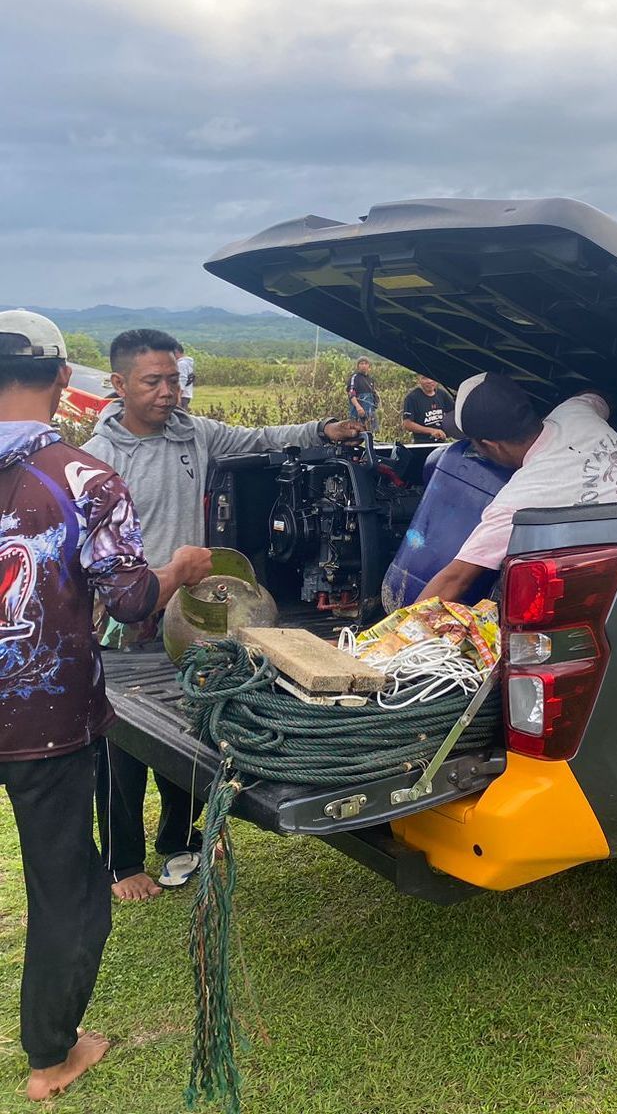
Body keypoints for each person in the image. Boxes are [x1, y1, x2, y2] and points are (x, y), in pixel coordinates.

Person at [0, 310, 212, 1101]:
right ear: (67, 381)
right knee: (67, 892)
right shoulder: (82, 475)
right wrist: (182, 566)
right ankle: (53, 1056)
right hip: (43, 722)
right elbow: (128, 600)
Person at [84, 328, 362, 901]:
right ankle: (122, 864)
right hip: (119, 622)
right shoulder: (95, 460)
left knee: (189, 719)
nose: (167, 392)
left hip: (186, 615)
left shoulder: (193, 434)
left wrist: (320, 429)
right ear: (118, 384)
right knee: (121, 742)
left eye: (174, 379)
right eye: (152, 381)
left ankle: (180, 844)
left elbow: (256, 436)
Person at [418, 371, 617, 605]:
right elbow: (597, 394)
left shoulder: (519, 500)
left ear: (490, 445)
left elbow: (456, 579)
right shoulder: (576, 411)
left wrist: (397, 638)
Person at [402, 375, 455, 442]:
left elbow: (453, 414)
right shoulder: (412, 398)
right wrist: (431, 431)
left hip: (442, 442)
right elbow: (407, 424)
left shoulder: (442, 394)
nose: (429, 381)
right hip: (423, 444)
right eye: (424, 378)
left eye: (432, 378)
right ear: (418, 379)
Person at [347, 356, 379, 432]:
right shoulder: (354, 377)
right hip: (357, 411)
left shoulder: (370, 379)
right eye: (361, 363)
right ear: (358, 366)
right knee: (357, 432)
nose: (364, 365)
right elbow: (351, 393)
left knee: (373, 432)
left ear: (369, 366)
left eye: (366, 363)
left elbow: (373, 394)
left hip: (370, 411)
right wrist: (358, 407)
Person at [175, 343, 195, 410]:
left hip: (182, 396)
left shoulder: (181, 364)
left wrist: (178, 397)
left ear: (176, 352)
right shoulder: (187, 362)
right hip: (185, 395)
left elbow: (182, 381)